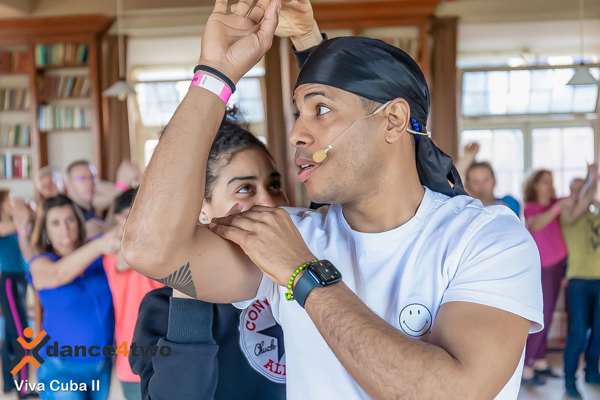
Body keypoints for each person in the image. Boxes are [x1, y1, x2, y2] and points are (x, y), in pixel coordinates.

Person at [123, 1, 543, 399]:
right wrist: (214, 75)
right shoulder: (291, 235)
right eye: (297, 114)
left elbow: (450, 392)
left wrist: (304, 275)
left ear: (393, 120)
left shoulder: (486, 238)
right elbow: (149, 250)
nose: (295, 135)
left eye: (320, 110)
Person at [130, 116, 287, 400]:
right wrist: (189, 285)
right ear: (200, 209)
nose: (269, 202)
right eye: (245, 188)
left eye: (274, 185)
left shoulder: (300, 275)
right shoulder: (162, 309)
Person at [28, 195, 118, 400]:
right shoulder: (40, 264)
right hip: (61, 368)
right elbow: (58, 274)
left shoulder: (97, 256)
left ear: (79, 222)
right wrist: (100, 244)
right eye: (55, 223)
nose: (65, 229)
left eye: (70, 220)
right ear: (46, 230)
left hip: (101, 364)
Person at [522, 168, 593, 386]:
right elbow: (536, 224)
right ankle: (527, 368)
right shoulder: (531, 207)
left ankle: (540, 362)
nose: (549, 185)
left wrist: (591, 177)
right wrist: (557, 208)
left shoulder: (557, 202)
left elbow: (580, 199)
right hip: (543, 268)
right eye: (545, 181)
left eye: (551, 181)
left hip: (559, 268)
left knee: (549, 315)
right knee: (541, 316)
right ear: (534, 185)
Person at [102, 188, 163, 400]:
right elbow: (124, 260)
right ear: (120, 219)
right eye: (135, 214)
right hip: (133, 359)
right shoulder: (114, 254)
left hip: (169, 353)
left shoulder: (162, 249)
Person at [561, 172, 600, 399]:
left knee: (599, 332)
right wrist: (590, 182)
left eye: (583, 188)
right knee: (577, 333)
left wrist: (593, 195)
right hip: (578, 281)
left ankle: (592, 373)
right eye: (576, 189)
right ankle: (569, 380)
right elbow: (580, 206)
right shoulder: (568, 213)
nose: (580, 193)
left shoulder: (595, 211)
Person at [0, 190, 37, 399]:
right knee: (23, 336)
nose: (13, 203)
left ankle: (8, 383)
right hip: (10, 282)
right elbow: (19, 224)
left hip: (19, 281)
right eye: (10, 201)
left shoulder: (15, 226)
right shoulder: (5, 226)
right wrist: (26, 214)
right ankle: (23, 389)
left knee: (11, 335)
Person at [459, 143, 520, 216]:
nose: (481, 185)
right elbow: (453, 180)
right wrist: (468, 156)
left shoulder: (509, 203)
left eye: (486, 180)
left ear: (494, 180)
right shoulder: (465, 208)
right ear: (467, 185)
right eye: (475, 182)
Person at [64, 160, 105, 237]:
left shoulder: (90, 207)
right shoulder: (66, 213)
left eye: (92, 177)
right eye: (82, 178)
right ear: (68, 184)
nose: (90, 182)